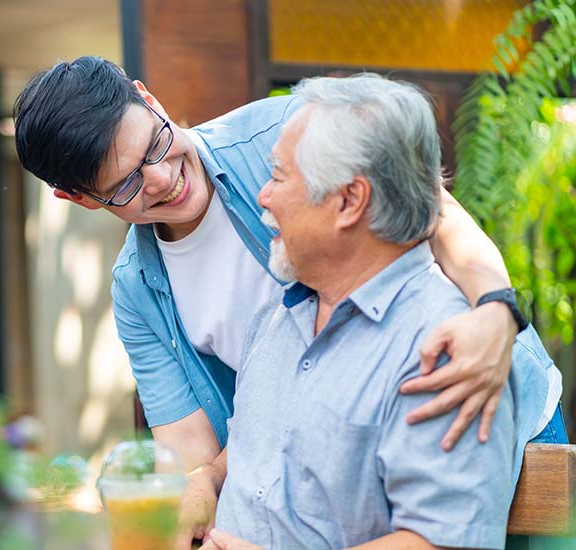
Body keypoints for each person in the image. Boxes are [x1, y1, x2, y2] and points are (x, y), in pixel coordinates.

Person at [13, 57, 565, 542]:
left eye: (156, 142)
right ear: (81, 200)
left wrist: (496, 312)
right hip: (337, 465)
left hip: (467, 389)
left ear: (149, 98)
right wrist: (199, 495)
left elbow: (436, 216)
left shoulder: (290, 136)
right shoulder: (141, 290)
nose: (161, 178)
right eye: (127, 184)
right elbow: (201, 460)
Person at [203, 73, 520, 550]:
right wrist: (203, 481)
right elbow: (270, 445)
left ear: (349, 201)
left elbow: (445, 543)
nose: (262, 196)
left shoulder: (443, 347)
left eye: (279, 176)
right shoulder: (277, 315)